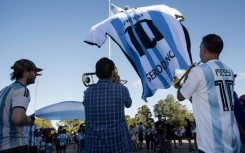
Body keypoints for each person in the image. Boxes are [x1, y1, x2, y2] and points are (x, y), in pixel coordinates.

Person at [177, 34, 241, 152]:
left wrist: (186, 79)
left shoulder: (199, 71)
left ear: (204, 49)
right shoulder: (230, 70)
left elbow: (180, 96)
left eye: (200, 48)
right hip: (232, 139)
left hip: (211, 142)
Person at [83, 57, 132, 153]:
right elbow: (129, 104)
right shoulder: (121, 89)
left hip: (93, 147)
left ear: (96, 74)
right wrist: (118, 84)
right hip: (118, 146)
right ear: (113, 72)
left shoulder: (87, 92)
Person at [0, 59, 42, 152]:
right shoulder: (22, 89)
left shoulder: (3, 91)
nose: (36, 75)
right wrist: (29, 119)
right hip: (16, 145)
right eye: (35, 71)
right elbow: (18, 119)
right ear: (25, 72)